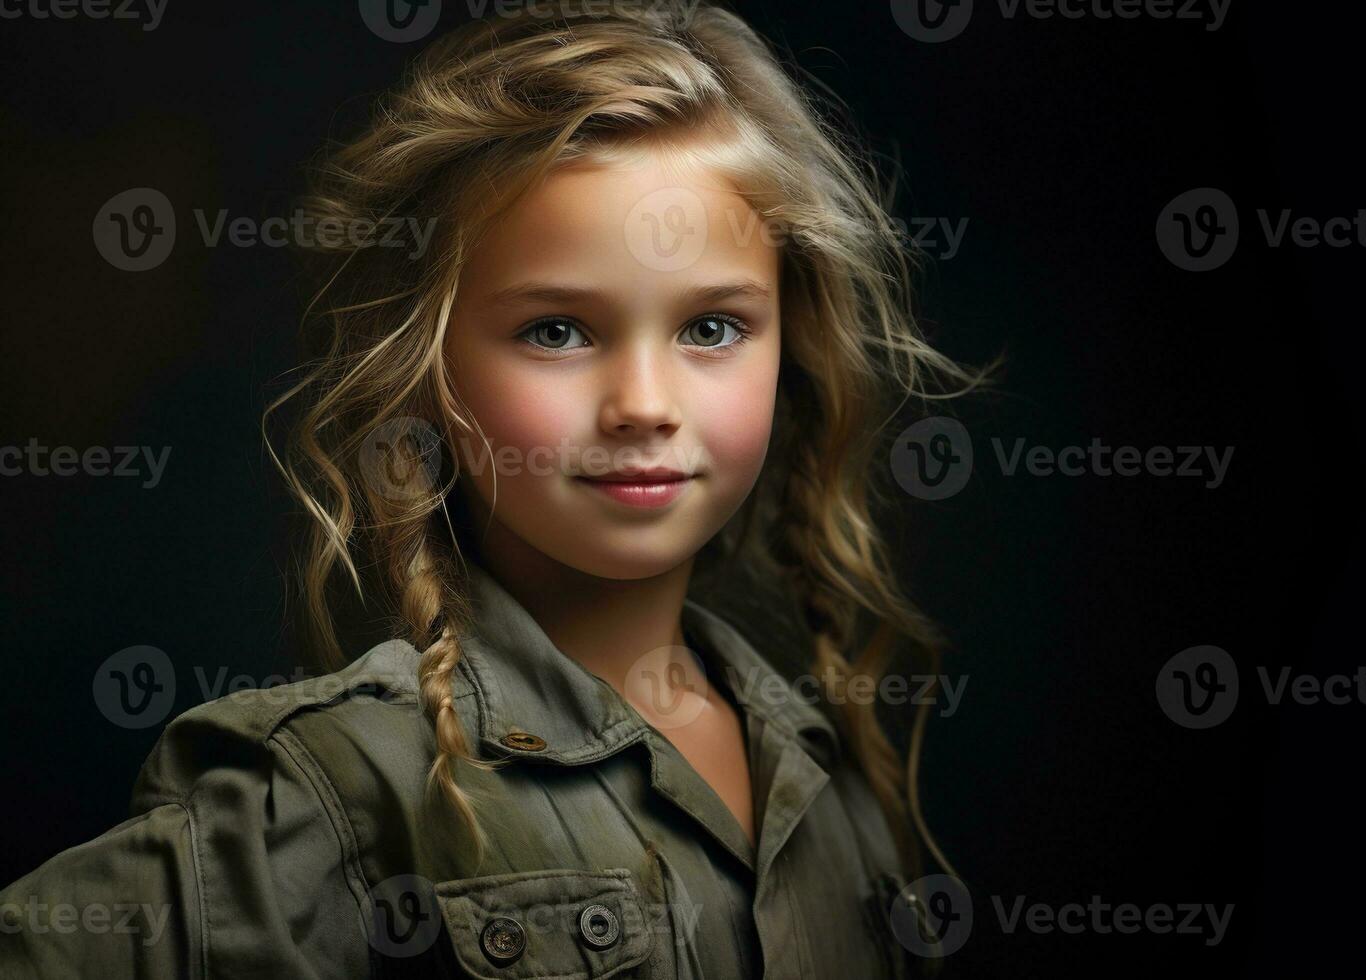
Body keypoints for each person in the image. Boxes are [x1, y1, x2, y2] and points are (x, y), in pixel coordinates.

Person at [0, 2, 989, 976]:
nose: (644, 404)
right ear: (427, 371)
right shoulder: (343, 784)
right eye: (557, 329)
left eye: (712, 327)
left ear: (791, 346)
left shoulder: (830, 782)